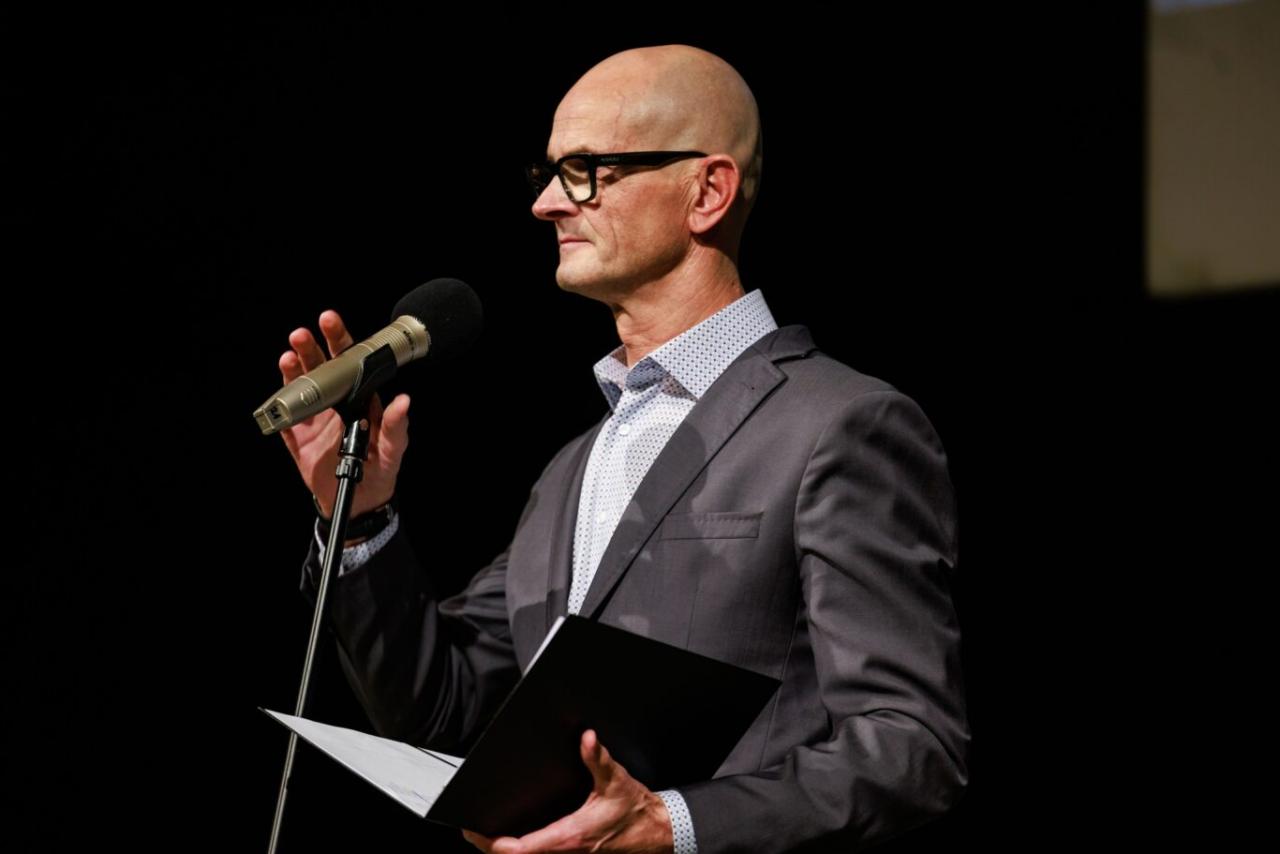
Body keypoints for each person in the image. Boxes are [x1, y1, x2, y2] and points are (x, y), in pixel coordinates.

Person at [280, 44, 969, 853]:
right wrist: (361, 520)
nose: (546, 204)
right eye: (547, 172)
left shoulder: (839, 424)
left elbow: (910, 746)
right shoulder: (575, 467)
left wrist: (674, 825)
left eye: (585, 171)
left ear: (706, 192)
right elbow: (444, 710)